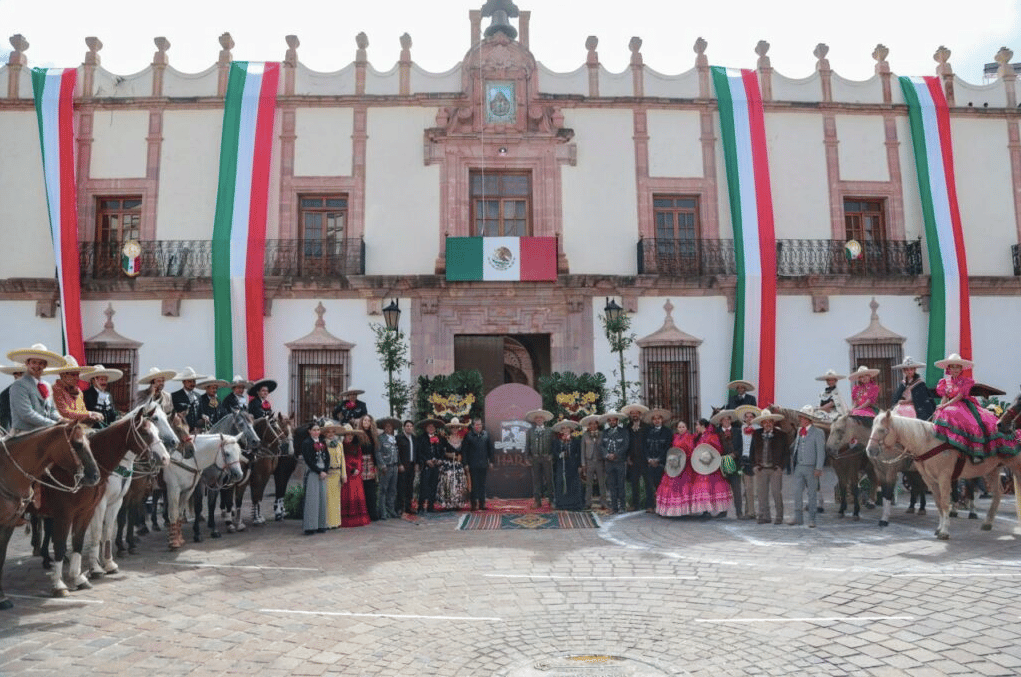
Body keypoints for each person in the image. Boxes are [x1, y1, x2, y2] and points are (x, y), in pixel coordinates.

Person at [932, 353, 1014, 462]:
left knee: (973, 422)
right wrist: (941, 406)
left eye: (958, 367)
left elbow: (959, 396)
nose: (955, 369)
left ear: (961, 369)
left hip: (963, 404)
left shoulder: (965, 381)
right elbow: (944, 396)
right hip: (949, 405)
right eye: (953, 367)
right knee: (939, 414)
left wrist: (945, 406)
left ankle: (976, 451)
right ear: (949, 368)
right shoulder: (944, 382)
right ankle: (945, 445)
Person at [5, 343, 66, 433]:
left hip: (44, 431)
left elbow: (51, 410)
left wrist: (60, 419)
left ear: (45, 365)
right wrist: (54, 424)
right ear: (27, 364)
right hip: (23, 434)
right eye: (34, 362)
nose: (37, 366)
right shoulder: (19, 385)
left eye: (41, 363)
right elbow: (26, 414)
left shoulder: (47, 386)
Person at [788, 405, 826, 527]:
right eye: (801, 417)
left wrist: (818, 468)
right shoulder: (799, 431)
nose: (801, 420)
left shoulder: (818, 432)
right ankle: (798, 517)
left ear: (810, 420)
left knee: (812, 494)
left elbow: (821, 451)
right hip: (799, 466)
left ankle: (812, 519)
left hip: (811, 467)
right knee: (797, 492)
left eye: (804, 418)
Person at [751, 411, 791, 525]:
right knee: (762, 494)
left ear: (773, 422)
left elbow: (786, 453)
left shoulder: (781, 435)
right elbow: (752, 451)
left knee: (776, 493)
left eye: (770, 421)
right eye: (765, 422)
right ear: (762, 423)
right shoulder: (756, 434)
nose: (768, 424)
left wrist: (781, 467)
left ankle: (779, 516)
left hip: (775, 469)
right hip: (761, 468)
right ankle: (764, 516)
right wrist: (754, 465)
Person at [688, 419, 733, 517]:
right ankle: (706, 510)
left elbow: (719, 449)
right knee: (704, 489)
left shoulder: (712, 436)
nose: (696, 428)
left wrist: (710, 456)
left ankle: (722, 510)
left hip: (712, 466)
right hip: (702, 466)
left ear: (703, 425)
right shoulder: (698, 437)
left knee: (715, 488)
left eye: (697, 425)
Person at [48, 356, 104, 425]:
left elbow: (82, 411)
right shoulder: (55, 389)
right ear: (63, 375)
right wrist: (90, 414)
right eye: (73, 375)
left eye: (77, 375)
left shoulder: (78, 391)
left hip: (78, 427)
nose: (77, 378)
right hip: (63, 429)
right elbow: (64, 412)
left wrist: (90, 415)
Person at [641, 408, 673, 513]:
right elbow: (644, 447)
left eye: (658, 418)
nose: (656, 420)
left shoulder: (667, 432)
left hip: (661, 463)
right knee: (649, 485)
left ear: (662, 420)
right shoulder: (647, 431)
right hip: (649, 463)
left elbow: (668, 448)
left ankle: (660, 505)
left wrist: (658, 460)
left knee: (661, 485)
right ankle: (650, 505)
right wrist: (649, 459)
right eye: (654, 419)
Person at [711, 409, 742, 518]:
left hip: (735, 462)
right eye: (723, 419)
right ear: (720, 421)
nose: (726, 421)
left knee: (736, 488)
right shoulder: (716, 433)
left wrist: (735, 454)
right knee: (723, 489)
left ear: (731, 420)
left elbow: (741, 446)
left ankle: (739, 512)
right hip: (721, 464)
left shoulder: (738, 431)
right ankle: (723, 511)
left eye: (728, 419)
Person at [300, 422, 329, 534]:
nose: (316, 432)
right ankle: (310, 526)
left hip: (323, 473)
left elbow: (327, 457)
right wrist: (319, 471)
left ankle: (321, 525)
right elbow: (308, 459)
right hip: (313, 472)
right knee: (312, 499)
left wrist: (325, 470)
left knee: (322, 498)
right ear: (309, 431)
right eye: (314, 430)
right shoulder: (306, 443)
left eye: (318, 430)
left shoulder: (322, 442)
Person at [435, 417, 469, 511]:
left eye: (456, 427)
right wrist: (448, 455)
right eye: (452, 427)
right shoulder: (445, 438)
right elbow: (441, 451)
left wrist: (461, 456)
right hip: (448, 465)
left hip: (458, 465)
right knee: (448, 482)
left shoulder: (462, 439)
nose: (454, 429)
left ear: (459, 428)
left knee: (459, 482)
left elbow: (464, 451)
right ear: (450, 428)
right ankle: (448, 503)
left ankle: (457, 503)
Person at [340, 423, 370, 527]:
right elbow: (342, 460)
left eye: (351, 435)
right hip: (347, 474)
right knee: (348, 495)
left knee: (357, 494)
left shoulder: (357, 446)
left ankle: (358, 518)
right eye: (347, 435)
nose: (349, 437)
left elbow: (360, 458)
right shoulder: (341, 446)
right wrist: (350, 469)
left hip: (356, 475)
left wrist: (358, 469)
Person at [461, 418, 495, 511]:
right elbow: (464, 451)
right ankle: (473, 504)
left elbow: (490, 450)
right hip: (472, 465)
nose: (479, 426)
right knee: (474, 485)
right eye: (477, 425)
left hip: (483, 464)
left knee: (482, 485)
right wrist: (465, 464)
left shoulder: (486, 435)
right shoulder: (468, 436)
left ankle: (482, 504)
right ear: (473, 426)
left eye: (480, 424)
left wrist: (491, 461)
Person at [599, 411, 630, 514]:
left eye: (614, 420)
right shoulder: (605, 432)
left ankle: (622, 506)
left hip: (619, 461)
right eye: (610, 420)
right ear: (608, 421)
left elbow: (625, 445)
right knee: (611, 485)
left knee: (621, 484)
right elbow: (602, 446)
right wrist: (607, 455)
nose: (612, 422)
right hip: (608, 462)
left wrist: (616, 454)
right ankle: (614, 507)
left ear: (617, 420)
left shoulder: (623, 431)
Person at [524, 409, 555, 509]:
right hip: (535, 459)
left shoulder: (550, 431)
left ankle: (551, 501)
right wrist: (526, 457)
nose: (539, 419)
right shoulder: (530, 431)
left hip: (547, 458)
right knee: (536, 480)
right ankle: (537, 501)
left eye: (540, 417)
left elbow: (554, 445)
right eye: (537, 418)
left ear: (544, 419)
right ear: (534, 420)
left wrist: (552, 455)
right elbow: (527, 445)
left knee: (549, 480)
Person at [551, 420, 584, 510]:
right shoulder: (557, 441)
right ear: (561, 431)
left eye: (567, 428)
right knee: (561, 482)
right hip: (561, 465)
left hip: (572, 465)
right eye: (563, 428)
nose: (565, 430)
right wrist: (559, 454)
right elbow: (554, 452)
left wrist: (580, 465)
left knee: (573, 483)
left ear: (570, 429)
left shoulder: (576, 441)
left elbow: (579, 453)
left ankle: (574, 504)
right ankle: (561, 504)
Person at [417, 418, 447, 514]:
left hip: (435, 465)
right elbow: (419, 452)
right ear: (425, 428)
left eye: (433, 427)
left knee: (433, 486)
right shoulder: (421, 438)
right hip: (426, 466)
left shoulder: (439, 439)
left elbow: (442, 452)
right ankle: (421, 507)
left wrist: (440, 460)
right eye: (429, 427)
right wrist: (426, 461)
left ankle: (430, 506)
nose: (431, 428)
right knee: (424, 486)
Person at [735, 405, 760, 520]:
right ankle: (749, 511)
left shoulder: (758, 430)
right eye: (747, 416)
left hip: (754, 461)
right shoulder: (740, 430)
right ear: (744, 418)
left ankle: (756, 511)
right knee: (747, 488)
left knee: (754, 488)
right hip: (744, 461)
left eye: (751, 416)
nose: (749, 418)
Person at [622, 403, 649, 510]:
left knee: (648, 482)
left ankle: (649, 505)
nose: (634, 415)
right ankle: (635, 504)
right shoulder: (627, 427)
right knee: (634, 483)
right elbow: (625, 443)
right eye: (632, 413)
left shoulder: (646, 427)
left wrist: (648, 457)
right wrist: (627, 457)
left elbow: (648, 443)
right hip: (632, 459)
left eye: (636, 413)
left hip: (644, 458)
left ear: (639, 414)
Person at [579, 414, 607, 510]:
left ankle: (603, 502)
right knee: (589, 483)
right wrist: (583, 464)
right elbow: (582, 450)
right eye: (591, 424)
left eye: (595, 424)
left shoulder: (602, 434)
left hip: (600, 461)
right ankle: (588, 502)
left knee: (602, 483)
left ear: (597, 425)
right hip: (589, 462)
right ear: (588, 425)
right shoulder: (585, 435)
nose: (593, 426)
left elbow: (605, 447)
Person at [322, 420, 347, 528]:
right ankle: (327, 522)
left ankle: (336, 522)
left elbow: (342, 460)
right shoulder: (322, 445)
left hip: (337, 473)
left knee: (336, 499)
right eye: (328, 432)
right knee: (328, 498)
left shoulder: (339, 445)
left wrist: (344, 474)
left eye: (333, 431)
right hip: (328, 473)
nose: (331, 434)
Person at [375, 418, 401, 519]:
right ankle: (383, 512)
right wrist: (382, 465)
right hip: (386, 467)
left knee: (393, 490)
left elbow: (396, 453)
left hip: (394, 466)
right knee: (383, 490)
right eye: (387, 426)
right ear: (384, 428)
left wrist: (398, 464)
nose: (388, 428)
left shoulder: (393, 438)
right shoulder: (380, 438)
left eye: (390, 427)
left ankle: (391, 510)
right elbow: (378, 452)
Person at [358, 414, 382, 520]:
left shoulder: (373, 436)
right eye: (364, 420)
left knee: (371, 489)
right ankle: (363, 512)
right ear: (361, 422)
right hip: (361, 462)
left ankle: (372, 513)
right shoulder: (358, 435)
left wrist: (376, 466)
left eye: (368, 420)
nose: (366, 422)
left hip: (371, 462)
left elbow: (375, 452)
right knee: (362, 488)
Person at [171, 366, 208, 431]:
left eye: (194, 381)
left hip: (197, 431)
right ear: (184, 382)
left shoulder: (198, 396)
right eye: (189, 381)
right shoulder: (175, 396)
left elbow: (201, 413)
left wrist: (204, 417)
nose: (192, 384)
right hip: (182, 432)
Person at [396, 420, 418, 514]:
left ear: (413, 428)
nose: (409, 427)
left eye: (410, 426)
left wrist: (417, 463)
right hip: (403, 466)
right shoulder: (399, 438)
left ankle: (409, 507)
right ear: (404, 427)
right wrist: (399, 464)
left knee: (410, 488)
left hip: (412, 466)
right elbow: (396, 452)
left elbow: (417, 452)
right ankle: (400, 508)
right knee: (401, 487)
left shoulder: (414, 438)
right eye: (407, 426)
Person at [0, 363, 26, 430]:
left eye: (22, 373)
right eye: (16, 373)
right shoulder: (5, 395)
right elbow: (4, 419)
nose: (18, 375)